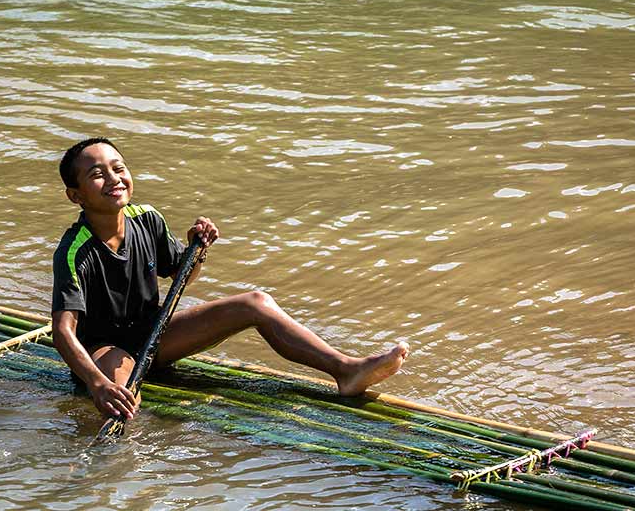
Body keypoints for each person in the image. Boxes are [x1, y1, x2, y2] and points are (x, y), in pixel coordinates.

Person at [51, 137, 409, 420]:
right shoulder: (74, 250)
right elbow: (63, 332)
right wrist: (96, 383)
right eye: (97, 174)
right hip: (104, 349)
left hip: (153, 333)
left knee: (255, 303)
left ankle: (346, 370)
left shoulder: (147, 218)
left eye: (118, 168)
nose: (113, 178)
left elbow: (181, 276)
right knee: (122, 402)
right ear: (75, 195)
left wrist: (197, 249)